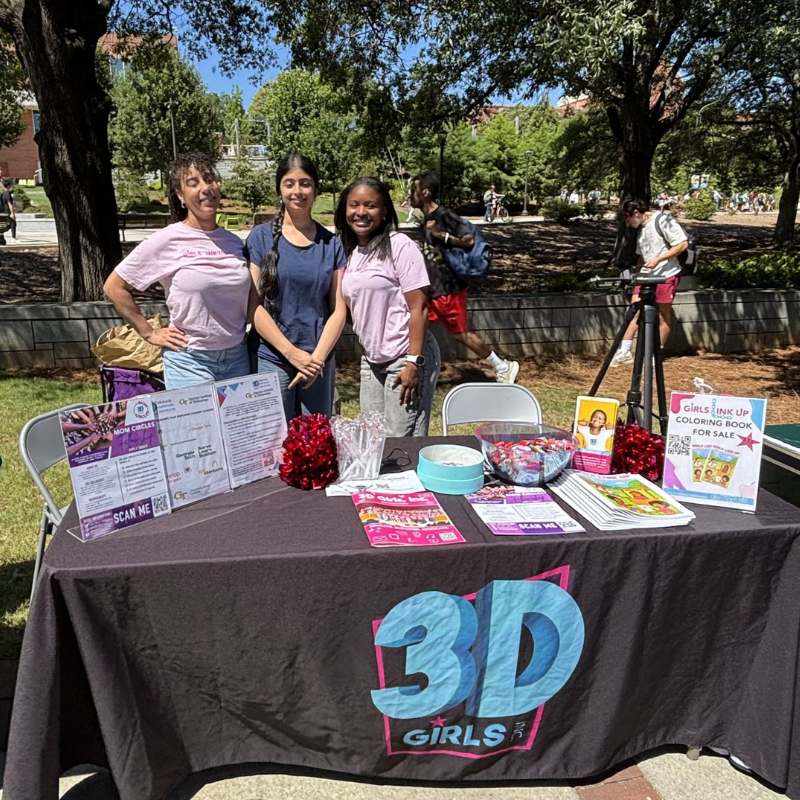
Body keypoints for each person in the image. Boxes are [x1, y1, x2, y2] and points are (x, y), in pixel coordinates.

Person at [104, 153, 253, 389]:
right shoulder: (167, 239)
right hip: (190, 361)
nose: (205, 188)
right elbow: (114, 287)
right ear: (181, 195)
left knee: (237, 426)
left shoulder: (234, 242)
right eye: (193, 183)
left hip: (238, 357)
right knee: (198, 428)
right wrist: (150, 333)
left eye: (209, 179)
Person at [336, 177, 440, 436]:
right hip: (372, 360)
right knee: (370, 436)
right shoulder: (348, 251)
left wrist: (413, 363)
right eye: (354, 205)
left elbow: (419, 308)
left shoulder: (400, 245)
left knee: (401, 440)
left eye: (370, 205)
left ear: (384, 212)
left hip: (405, 357)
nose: (360, 212)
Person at [246, 153, 347, 421]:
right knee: (272, 445)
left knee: (315, 444)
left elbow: (338, 310)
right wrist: (292, 354)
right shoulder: (260, 238)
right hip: (272, 359)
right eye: (289, 183)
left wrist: (316, 359)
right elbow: (253, 307)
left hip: (317, 362)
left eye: (305, 183)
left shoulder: (332, 244)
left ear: (315, 189)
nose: (297, 191)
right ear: (280, 188)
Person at [410, 173, 519, 383]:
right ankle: (415, 367)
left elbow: (468, 240)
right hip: (433, 288)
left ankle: (503, 366)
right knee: (416, 327)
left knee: (461, 334)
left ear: (425, 192)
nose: (409, 195)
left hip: (448, 288)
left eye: (413, 190)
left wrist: (441, 235)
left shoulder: (444, 215)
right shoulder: (427, 218)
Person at [609, 198, 689, 367]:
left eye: (628, 219)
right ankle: (624, 351)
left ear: (636, 213)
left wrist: (659, 259)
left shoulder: (663, 220)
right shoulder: (641, 228)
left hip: (667, 274)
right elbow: (642, 256)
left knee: (662, 316)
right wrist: (635, 276)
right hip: (646, 275)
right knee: (634, 310)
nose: (628, 224)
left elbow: (682, 245)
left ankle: (654, 354)